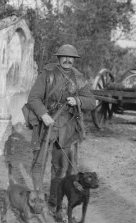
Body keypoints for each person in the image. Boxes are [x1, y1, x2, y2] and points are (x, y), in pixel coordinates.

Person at [26, 44, 96, 211]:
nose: (67, 60)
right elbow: (33, 98)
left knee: (61, 167)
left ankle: (53, 200)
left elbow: (92, 102)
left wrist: (78, 101)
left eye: (70, 58)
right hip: (46, 125)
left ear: (74, 60)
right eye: (64, 57)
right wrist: (43, 114)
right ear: (58, 58)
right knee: (39, 163)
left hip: (67, 128)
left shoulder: (79, 79)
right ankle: (36, 200)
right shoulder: (48, 74)